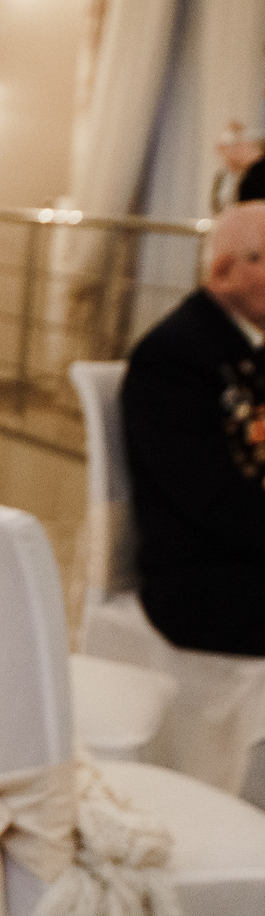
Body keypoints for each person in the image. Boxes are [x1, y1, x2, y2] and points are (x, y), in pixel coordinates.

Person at [123, 197, 265, 653]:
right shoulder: (172, 358)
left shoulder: (251, 340)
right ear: (223, 272)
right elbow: (215, 499)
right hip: (204, 580)